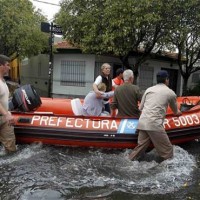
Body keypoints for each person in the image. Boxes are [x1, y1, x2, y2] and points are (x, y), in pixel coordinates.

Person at [128, 70, 182, 162]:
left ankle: (130, 161)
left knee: (140, 148)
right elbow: (176, 111)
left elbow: (141, 107)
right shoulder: (170, 92)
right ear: (166, 80)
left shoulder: (148, 90)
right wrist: (181, 113)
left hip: (142, 123)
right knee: (168, 150)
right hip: (155, 124)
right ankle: (169, 168)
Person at [0, 54, 17, 154]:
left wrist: (8, 113)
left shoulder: (3, 82)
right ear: (1, 66)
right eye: (7, 65)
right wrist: (6, 114)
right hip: (4, 116)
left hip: (5, 119)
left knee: (11, 148)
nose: (10, 67)